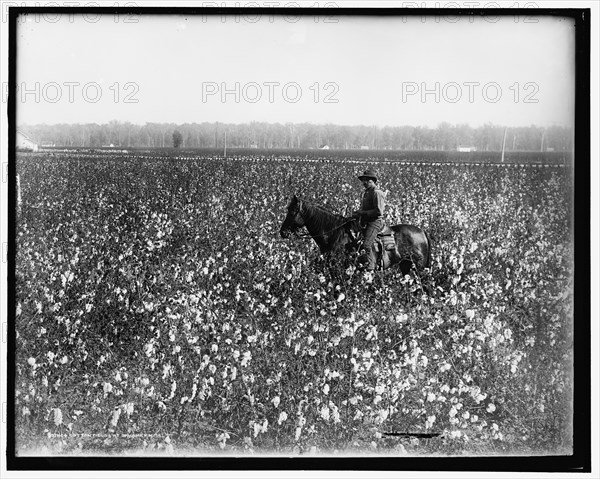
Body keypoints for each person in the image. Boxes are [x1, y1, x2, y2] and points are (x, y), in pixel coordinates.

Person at [352, 169, 386, 271]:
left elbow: (379, 212)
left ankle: (371, 267)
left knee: (366, 244)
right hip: (365, 221)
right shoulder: (366, 193)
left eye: (366, 180)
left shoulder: (377, 193)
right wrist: (357, 213)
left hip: (375, 222)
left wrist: (363, 213)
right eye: (363, 180)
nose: (364, 183)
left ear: (373, 181)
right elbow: (364, 209)